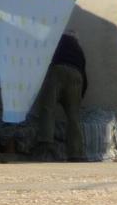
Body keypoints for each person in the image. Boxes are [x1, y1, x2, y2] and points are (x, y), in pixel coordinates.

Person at [35, 32, 87, 161]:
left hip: (57, 71)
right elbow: (84, 76)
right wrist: (79, 97)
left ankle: (45, 147)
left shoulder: (56, 39)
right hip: (76, 75)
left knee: (48, 109)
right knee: (73, 116)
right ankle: (76, 154)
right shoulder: (79, 50)